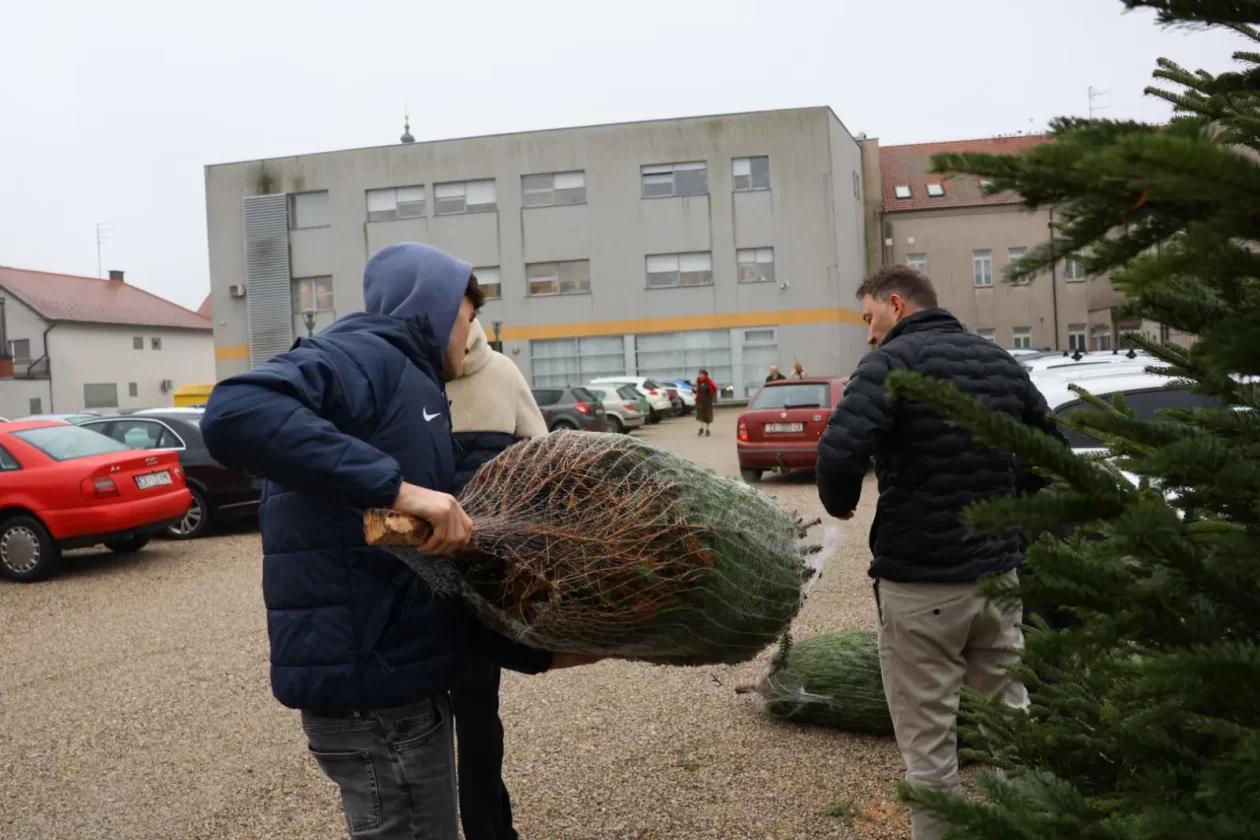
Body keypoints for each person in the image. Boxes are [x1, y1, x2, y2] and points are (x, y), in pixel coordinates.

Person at [201, 243, 597, 840]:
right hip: (377, 700)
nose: (473, 334)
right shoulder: (365, 357)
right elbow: (236, 411)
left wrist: (543, 652)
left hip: (401, 685)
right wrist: (403, 491)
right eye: (468, 318)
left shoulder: (412, 384)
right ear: (437, 309)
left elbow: (422, 572)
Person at [814, 264, 1066, 840]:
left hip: (921, 585)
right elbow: (1050, 454)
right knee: (1012, 726)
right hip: (998, 579)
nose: (868, 333)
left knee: (930, 749)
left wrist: (840, 503)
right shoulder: (1001, 363)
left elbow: (836, 454)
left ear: (897, 306)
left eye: (870, 317)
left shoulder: (889, 364)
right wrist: (1008, 506)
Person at [445, 315, 547, 840]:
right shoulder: (404, 380)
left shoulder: (503, 375)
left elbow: (542, 461)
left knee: (477, 717)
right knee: (434, 719)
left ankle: (489, 830)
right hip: (421, 577)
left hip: (482, 581)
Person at [693, 369, 716, 436]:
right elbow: (698, 391)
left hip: (707, 401)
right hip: (699, 400)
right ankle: (701, 428)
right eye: (699, 374)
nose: (700, 376)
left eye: (701, 374)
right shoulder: (698, 381)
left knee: (707, 416)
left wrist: (713, 398)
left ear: (705, 375)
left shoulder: (709, 381)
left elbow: (714, 389)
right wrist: (694, 390)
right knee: (699, 415)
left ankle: (707, 429)